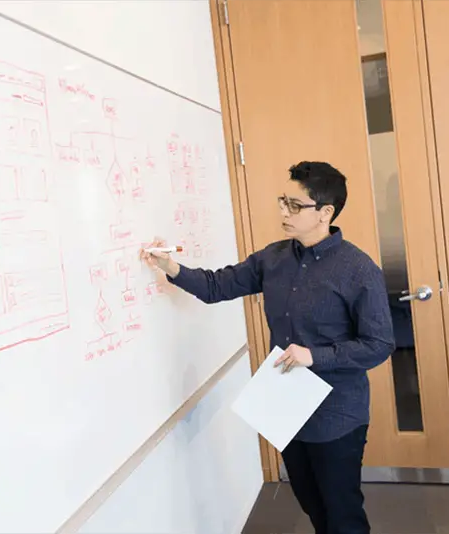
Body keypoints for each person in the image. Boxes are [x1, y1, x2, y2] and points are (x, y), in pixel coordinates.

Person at [140, 161, 395, 534]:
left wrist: (316, 356)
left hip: (337, 412)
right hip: (286, 405)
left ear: (325, 212)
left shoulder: (358, 270)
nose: (283, 212)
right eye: (283, 201)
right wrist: (170, 267)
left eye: (295, 205)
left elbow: (379, 344)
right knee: (311, 503)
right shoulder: (273, 258)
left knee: (342, 512)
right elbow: (217, 287)